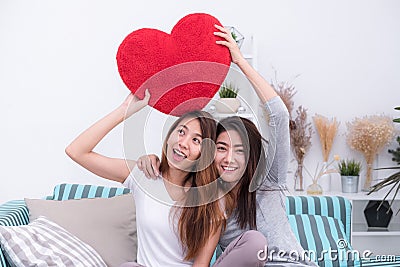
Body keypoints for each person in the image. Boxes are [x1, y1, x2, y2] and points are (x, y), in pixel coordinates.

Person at [138, 24, 318, 266]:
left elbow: (279, 116)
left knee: (255, 239)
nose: (229, 158)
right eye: (222, 148)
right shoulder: (207, 202)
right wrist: (153, 162)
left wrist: (240, 63)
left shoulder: (268, 183)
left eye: (240, 150)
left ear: (251, 158)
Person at [65, 90, 227, 267]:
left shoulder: (211, 201)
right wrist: (125, 110)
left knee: (251, 243)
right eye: (181, 131)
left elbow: (201, 265)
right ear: (170, 134)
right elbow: (77, 151)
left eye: (196, 140)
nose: (183, 143)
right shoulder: (143, 175)